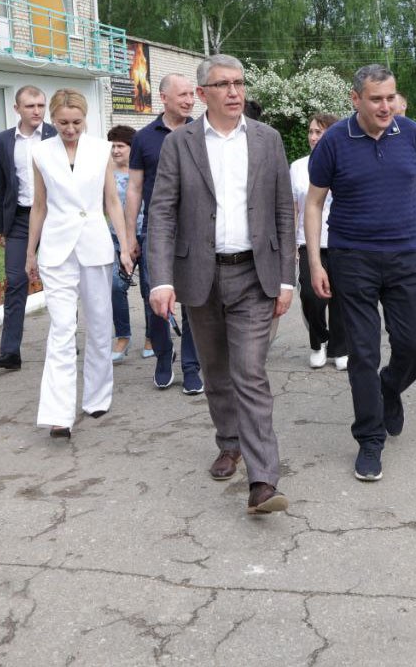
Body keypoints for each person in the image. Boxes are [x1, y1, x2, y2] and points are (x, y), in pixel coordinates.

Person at [146, 54, 296, 515]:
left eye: (239, 83)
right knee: (215, 370)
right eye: (223, 85)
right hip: (200, 275)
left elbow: (283, 211)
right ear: (202, 93)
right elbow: (162, 212)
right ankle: (229, 443)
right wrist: (160, 280)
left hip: (255, 274)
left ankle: (263, 480)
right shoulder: (181, 143)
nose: (234, 92)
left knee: (249, 371)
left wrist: (287, 278)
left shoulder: (268, 139)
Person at [306, 64, 416, 482]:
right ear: (355, 99)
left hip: (405, 256)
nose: (386, 107)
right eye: (376, 99)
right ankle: (370, 439)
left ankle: (390, 386)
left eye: (390, 98)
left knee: (415, 344)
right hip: (352, 259)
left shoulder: (411, 134)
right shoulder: (334, 141)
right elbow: (313, 203)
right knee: (363, 353)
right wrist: (315, 261)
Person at [25, 89, 133, 439]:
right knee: (61, 328)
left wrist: (125, 247)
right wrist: (30, 252)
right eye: (62, 123)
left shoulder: (101, 150)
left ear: (85, 119)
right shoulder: (40, 152)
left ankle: (97, 396)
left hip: (94, 245)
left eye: (76, 122)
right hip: (56, 250)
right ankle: (58, 414)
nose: (70, 129)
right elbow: (39, 205)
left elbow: (112, 202)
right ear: (52, 120)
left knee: (100, 325)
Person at [125, 74, 203, 393]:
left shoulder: (202, 133)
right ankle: (163, 355)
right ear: (164, 98)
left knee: (195, 299)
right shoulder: (144, 138)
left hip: (196, 231)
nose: (189, 100)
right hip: (157, 231)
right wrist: (130, 236)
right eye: (182, 94)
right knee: (155, 297)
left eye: (191, 94)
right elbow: (134, 188)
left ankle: (192, 365)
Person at [0, 86, 56, 371]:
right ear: (17, 109)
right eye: (30, 106)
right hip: (18, 219)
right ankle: (10, 352)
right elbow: (0, 183)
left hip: (53, 217)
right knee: (15, 280)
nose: (37, 111)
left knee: (57, 280)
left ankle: (65, 342)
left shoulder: (55, 134)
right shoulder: (3, 140)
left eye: (41, 105)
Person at [291, 112, 347, 371]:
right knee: (311, 296)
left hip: (341, 241)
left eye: (319, 132)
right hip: (308, 242)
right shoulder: (298, 167)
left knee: (341, 296)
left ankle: (340, 347)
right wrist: (291, 243)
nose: (313, 137)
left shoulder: (345, 162)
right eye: (311, 132)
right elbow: (294, 207)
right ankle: (319, 341)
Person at [107, 125, 148, 362]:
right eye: (112, 146)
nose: (115, 151)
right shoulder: (106, 174)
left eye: (120, 146)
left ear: (132, 148)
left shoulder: (142, 172)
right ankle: (123, 336)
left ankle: (152, 336)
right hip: (116, 238)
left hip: (145, 235)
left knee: (149, 288)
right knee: (115, 286)